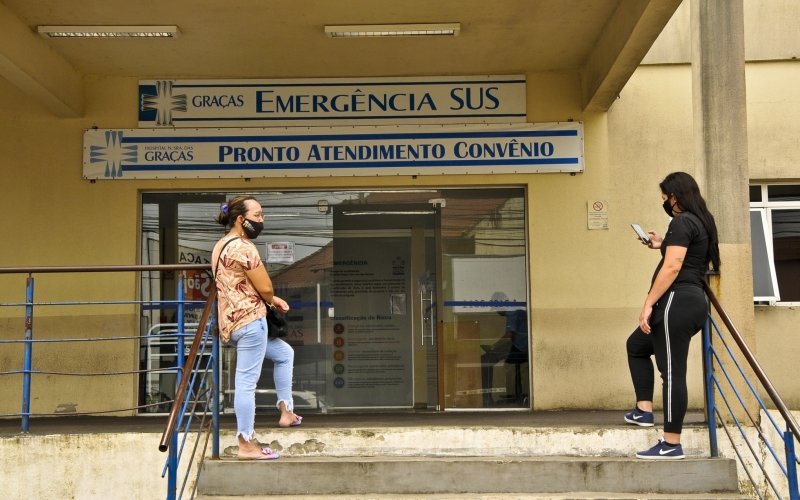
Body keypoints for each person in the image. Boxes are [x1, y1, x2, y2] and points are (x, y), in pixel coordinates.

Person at [624, 171, 720, 460]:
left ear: (675, 196)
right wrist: (660, 244)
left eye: (665, 198)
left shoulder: (681, 222)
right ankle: (643, 410)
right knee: (636, 346)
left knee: (672, 372)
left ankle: (671, 443)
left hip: (676, 301)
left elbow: (673, 267)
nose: (664, 203)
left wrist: (648, 303)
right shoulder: (699, 221)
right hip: (689, 301)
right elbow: (682, 254)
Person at [212, 195, 302, 461]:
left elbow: (237, 282)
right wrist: (271, 295)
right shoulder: (245, 247)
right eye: (258, 215)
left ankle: (286, 412)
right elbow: (264, 287)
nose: (262, 220)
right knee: (246, 382)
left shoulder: (220, 246)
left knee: (284, 354)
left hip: (232, 322)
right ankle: (246, 444)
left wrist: (272, 301)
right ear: (241, 219)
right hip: (251, 322)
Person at [481, 292, 529, 406]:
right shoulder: (515, 309)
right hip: (523, 347)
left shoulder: (512, 312)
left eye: (496, 309)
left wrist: (493, 347)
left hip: (520, 349)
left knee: (485, 360)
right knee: (492, 356)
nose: (497, 312)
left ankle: (487, 399)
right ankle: (514, 393)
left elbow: (509, 337)